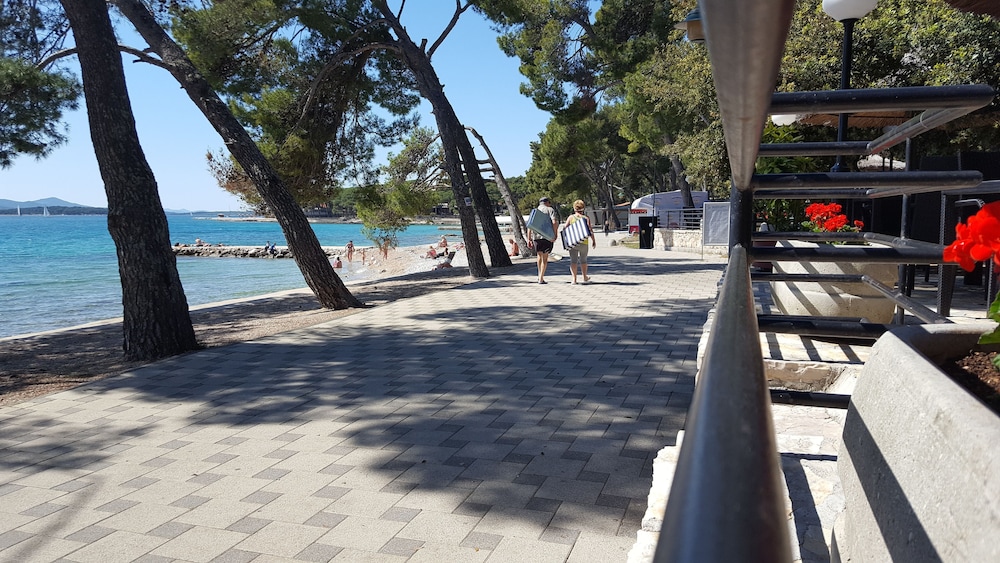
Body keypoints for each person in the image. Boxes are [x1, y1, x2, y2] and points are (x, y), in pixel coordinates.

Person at [564, 199, 597, 284]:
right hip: (584, 242)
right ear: (583, 208)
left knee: (573, 261)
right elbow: (590, 230)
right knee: (584, 260)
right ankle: (585, 277)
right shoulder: (586, 218)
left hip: (573, 242)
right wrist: (593, 240)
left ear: (574, 208)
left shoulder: (571, 217)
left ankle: (574, 279)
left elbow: (565, 228)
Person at [531, 196, 559, 284]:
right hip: (547, 236)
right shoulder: (550, 209)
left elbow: (529, 225)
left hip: (536, 237)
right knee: (545, 257)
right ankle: (541, 278)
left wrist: (529, 238)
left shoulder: (535, 211)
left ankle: (539, 275)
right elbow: (554, 222)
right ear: (547, 202)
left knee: (539, 256)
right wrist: (555, 234)